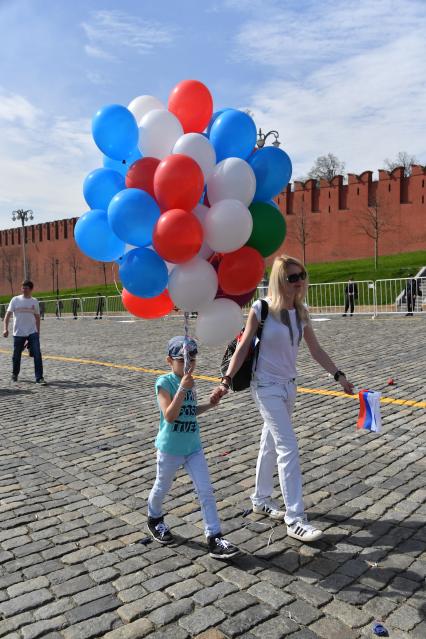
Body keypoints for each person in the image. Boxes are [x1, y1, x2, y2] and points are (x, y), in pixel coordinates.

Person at [211, 255, 354, 543]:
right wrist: (225, 381)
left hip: (289, 387)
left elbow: (315, 350)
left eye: (302, 275)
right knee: (288, 446)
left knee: (270, 442)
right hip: (265, 386)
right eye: (292, 277)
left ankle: (261, 498)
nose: (299, 281)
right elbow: (242, 348)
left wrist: (339, 376)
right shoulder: (261, 309)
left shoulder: (301, 312)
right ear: (279, 280)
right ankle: (295, 518)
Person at [147, 336, 240, 559]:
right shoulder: (165, 382)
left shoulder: (190, 382)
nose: (189, 366)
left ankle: (214, 536)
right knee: (162, 486)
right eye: (182, 361)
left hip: (193, 446)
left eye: (192, 360)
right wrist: (181, 389)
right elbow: (169, 415)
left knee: (206, 490)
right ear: (170, 361)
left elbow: (189, 411)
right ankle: (154, 517)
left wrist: (210, 404)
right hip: (170, 448)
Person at [3, 280, 46, 384]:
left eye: (26, 288)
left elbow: (37, 318)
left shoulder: (34, 301)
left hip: (32, 332)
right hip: (18, 332)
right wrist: (5, 328)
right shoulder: (15, 300)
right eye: (22, 288)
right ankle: (15, 374)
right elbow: (7, 315)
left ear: (31, 289)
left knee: (37, 354)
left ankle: (39, 377)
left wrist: (38, 332)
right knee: (16, 354)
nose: (23, 290)